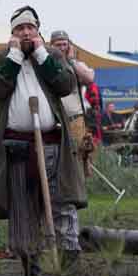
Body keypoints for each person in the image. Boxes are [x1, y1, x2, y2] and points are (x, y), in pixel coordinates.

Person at [0, 5, 88, 276]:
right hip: (17, 148)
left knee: (62, 210)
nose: (26, 32)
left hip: (53, 145)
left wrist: (42, 55)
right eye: (20, 28)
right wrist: (15, 57)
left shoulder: (52, 57)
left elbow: (66, 85)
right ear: (12, 33)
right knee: (23, 214)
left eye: (30, 27)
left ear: (38, 30)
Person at [50, 29, 98, 172]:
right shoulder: (45, 64)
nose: (62, 48)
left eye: (65, 44)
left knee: (77, 158)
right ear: (51, 46)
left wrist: (71, 60)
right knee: (55, 158)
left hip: (74, 119)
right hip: (52, 120)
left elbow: (89, 78)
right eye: (58, 45)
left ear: (70, 46)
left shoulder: (76, 64)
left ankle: (78, 192)